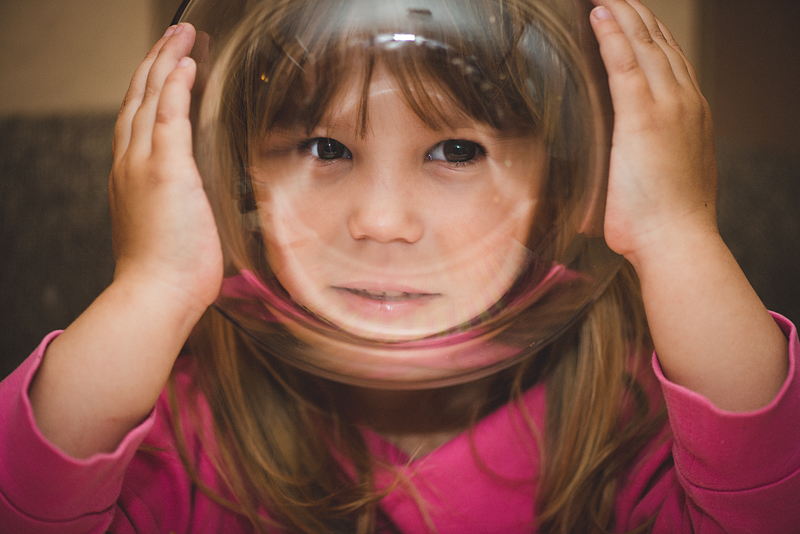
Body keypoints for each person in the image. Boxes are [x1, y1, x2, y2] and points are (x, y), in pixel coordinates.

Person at [1, 0, 798, 532]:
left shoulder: (633, 430)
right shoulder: (183, 435)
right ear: (239, 182)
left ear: (563, 186)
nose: (381, 222)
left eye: (456, 151)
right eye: (325, 148)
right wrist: (154, 286)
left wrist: (676, 233)